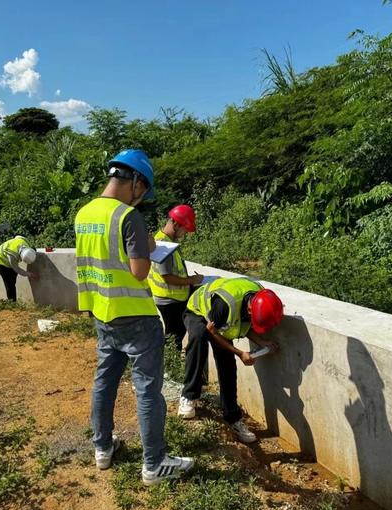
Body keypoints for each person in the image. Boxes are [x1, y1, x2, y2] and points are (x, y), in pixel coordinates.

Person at [75, 149, 194, 485]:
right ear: (137, 181)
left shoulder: (84, 214)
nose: (142, 198)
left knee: (105, 381)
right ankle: (154, 464)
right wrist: (145, 246)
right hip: (136, 318)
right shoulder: (128, 217)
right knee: (147, 390)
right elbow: (140, 271)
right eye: (143, 191)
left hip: (102, 312)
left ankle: (102, 448)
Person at [178, 277, 284, 443]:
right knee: (198, 339)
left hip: (219, 320)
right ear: (250, 309)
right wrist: (240, 352)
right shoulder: (226, 304)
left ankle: (232, 417)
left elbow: (245, 325)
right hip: (197, 311)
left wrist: (262, 342)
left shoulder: (261, 298)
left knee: (227, 365)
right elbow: (212, 331)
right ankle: (189, 396)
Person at [148, 204, 203, 348]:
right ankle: (168, 369)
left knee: (174, 336)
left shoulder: (161, 239)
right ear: (176, 224)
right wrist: (191, 280)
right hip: (170, 299)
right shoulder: (164, 245)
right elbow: (167, 276)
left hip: (169, 297)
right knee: (174, 339)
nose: (184, 234)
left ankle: (168, 366)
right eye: (185, 230)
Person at [0, 235, 39, 301]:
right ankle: (12, 302)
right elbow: (17, 270)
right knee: (9, 282)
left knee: (13, 279)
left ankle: (12, 300)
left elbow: (17, 237)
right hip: (0, 261)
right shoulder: (12, 255)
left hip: (10, 258)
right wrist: (30, 275)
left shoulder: (25, 242)